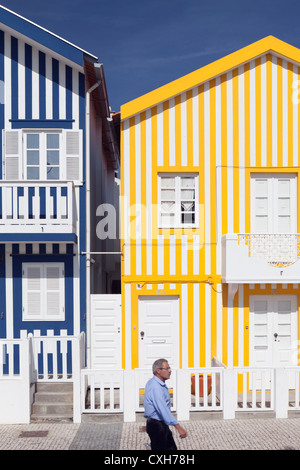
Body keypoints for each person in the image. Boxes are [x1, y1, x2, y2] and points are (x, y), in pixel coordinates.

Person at [144, 358, 187, 450]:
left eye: (169, 368)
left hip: (161, 424)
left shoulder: (156, 383)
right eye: (167, 368)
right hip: (156, 426)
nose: (170, 371)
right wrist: (178, 427)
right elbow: (162, 409)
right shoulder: (156, 387)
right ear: (158, 371)